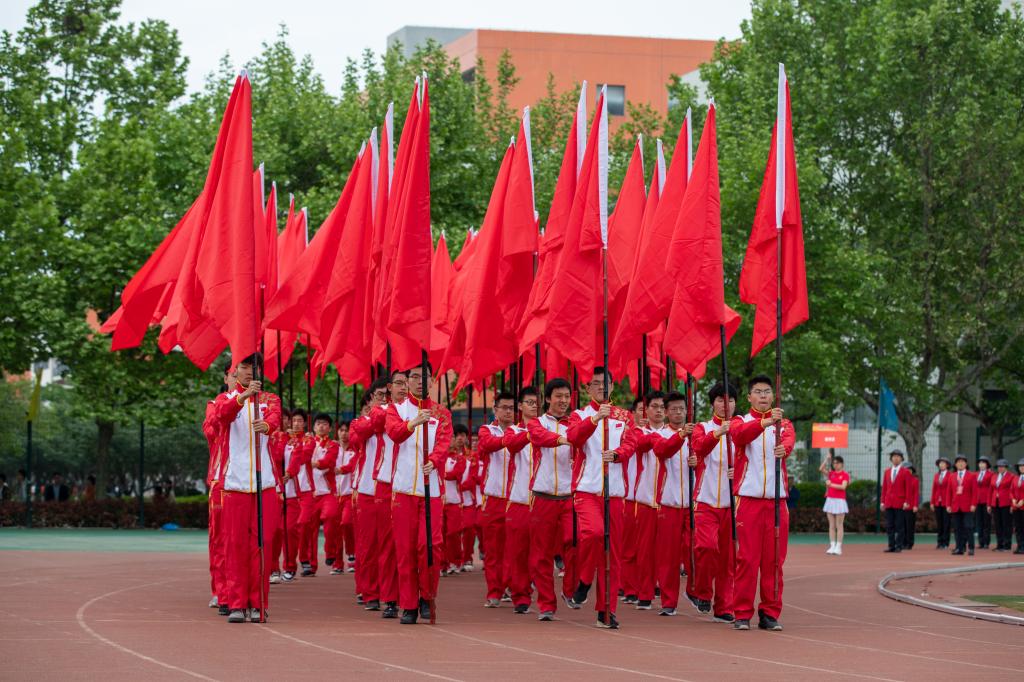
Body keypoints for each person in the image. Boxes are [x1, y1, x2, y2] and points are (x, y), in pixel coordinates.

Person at [211, 353, 282, 623]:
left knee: (262, 544)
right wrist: (243, 397)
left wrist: (268, 425)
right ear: (236, 370)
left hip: (265, 484)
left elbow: (275, 418)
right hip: (235, 483)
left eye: (254, 366)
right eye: (244, 366)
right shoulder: (225, 398)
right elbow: (222, 415)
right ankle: (237, 603)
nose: (250, 371)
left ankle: (258, 603)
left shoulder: (269, 399)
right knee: (235, 544)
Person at [565, 367, 637, 629]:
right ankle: (585, 579)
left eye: (605, 383)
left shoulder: (625, 417)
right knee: (593, 533)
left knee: (612, 555)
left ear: (612, 386)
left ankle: (606, 611)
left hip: (614, 492)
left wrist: (617, 454)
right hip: (587, 489)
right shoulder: (580, 415)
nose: (601, 388)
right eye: (595, 384)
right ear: (587, 388)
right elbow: (574, 438)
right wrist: (595, 419)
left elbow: (631, 443)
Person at [384, 362, 453, 625]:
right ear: (407, 381)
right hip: (403, 489)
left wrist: (434, 460)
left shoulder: (441, 413)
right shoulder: (396, 409)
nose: (420, 381)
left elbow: (444, 443)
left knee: (429, 546)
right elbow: (394, 433)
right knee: (405, 550)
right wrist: (414, 422)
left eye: (425, 377)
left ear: (432, 381)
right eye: (414, 377)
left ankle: (427, 595)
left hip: (430, 490)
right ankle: (409, 605)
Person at [730, 375, 795, 632]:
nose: (763, 396)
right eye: (758, 391)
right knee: (747, 559)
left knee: (774, 561)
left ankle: (769, 612)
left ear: (773, 395)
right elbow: (740, 436)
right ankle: (742, 612)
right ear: (749, 397)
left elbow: (788, 440)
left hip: (777, 502)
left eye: (767, 391)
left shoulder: (784, 423)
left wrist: (784, 448)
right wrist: (765, 422)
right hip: (749, 501)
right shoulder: (741, 420)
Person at [526, 377, 576, 622]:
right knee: (541, 554)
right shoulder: (537, 423)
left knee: (575, 543)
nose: (563, 401)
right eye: (558, 396)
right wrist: (563, 439)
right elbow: (539, 437)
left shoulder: (576, 423)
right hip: (542, 495)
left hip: (570, 495)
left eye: (567, 396)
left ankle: (570, 589)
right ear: (547, 398)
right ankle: (546, 604)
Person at [348, 378, 395, 616]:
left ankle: (389, 594)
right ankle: (369, 592)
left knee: (389, 545)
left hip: (392, 488)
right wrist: (380, 414)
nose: (385, 399)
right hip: (367, 489)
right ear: (369, 400)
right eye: (380, 395)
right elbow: (358, 437)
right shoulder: (360, 422)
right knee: (368, 545)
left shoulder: (399, 419)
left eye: (388, 395)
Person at [649, 390, 697, 617]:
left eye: (682, 409)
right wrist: (681, 436)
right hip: (668, 502)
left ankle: (695, 590)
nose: (678, 412)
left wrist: (698, 460)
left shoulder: (696, 434)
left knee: (696, 550)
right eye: (674, 409)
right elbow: (663, 451)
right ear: (667, 412)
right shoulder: (660, 435)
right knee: (668, 556)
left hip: (693, 504)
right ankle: (669, 601)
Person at [501, 386, 541, 614]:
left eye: (537, 403)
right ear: (520, 406)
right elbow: (512, 445)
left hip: (543, 499)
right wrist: (530, 433)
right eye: (529, 402)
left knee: (541, 553)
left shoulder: (550, 429)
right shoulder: (513, 430)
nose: (533, 406)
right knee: (518, 553)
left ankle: (542, 590)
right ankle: (521, 595)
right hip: (519, 499)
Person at [478, 391, 516, 608]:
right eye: (504, 408)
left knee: (514, 548)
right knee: (493, 548)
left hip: (515, 498)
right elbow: (487, 445)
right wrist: (508, 439)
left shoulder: (522, 430)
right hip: (493, 498)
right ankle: (494, 591)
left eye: (512, 408)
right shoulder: (487, 430)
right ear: (495, 409)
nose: (508, 412)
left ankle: (511, 585)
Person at [629, 391, 666, 610]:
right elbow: (640, 445)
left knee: (666, 550)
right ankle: (644, 592)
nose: (658, 411)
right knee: (644, 549)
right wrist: (655, 438)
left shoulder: (675, 432)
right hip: (644, 498)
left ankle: (662, 587)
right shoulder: (638, 432)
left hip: (669, 500)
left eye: (662, 407)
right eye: (654, 406)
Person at [203, 364, 235, 612]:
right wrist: (233, 404)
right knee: (220, 539)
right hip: (221, 481)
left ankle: (240, 590)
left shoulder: (259, 405)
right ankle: (222, 591)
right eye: (234, 374)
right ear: (226, 378)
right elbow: (211, 429)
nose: (240, 377)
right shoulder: (216, 405)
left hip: (248, 481)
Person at [284, 409, 318, 577]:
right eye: (294, 420)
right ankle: (289, 565)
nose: (296, 423)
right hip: (288, 490)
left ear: (304, 423)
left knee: (304, 524)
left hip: (305, 489)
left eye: (299, 421)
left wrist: (296, 442)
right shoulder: (285, 439)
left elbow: (303, 458)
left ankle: (306, 559)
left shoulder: (309, 440)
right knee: (288, 529)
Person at [308, 413, 341, 575]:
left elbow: (329, 461)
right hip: (310, 492)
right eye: (318, 423)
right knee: (310, 529)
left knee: (331, 517)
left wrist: (314, 463)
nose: (321, 426)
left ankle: (330, 551)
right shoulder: (307, 442)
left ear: (329, 428)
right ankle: (311, 565)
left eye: (325, 424)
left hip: (328, 492)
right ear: (314, 427)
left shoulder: (333, 445)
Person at [330, 420, 357, 574]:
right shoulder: (333, 449)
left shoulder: (356, 449)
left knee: (347, 523)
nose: (344, 433)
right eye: (341, 430)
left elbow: (353, 464)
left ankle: (352, 553)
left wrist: (342, 469)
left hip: (349, 494)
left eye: (347, 430)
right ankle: (337, 563)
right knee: (335, 530)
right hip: (334, 495)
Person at [441, 425, 468, 575]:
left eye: (452, 437)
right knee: (440, 534)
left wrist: (441, 472)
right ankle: (443, 564)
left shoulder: (460, 459)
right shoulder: (440, 457)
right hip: (440, 502)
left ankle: (456, 561)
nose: (450, 440)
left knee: (453, 534)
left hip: (454, 502)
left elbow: (455, 475)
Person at [819, 453, 849, 555]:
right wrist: (827, 459)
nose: (835, 465)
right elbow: (821, 469)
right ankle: (832, 545)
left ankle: (838, 547)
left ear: (842, 464)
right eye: (834, 463)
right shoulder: (831, 473)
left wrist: (831, 484)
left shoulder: (845, 475)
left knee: (839, 525)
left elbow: (843, 487)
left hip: (840, 501)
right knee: (831, 525)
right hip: (830, 500)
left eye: (837, 463)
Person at [880, 450, 910, 553]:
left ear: (901, 459)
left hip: (900, 502)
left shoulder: (905, 472)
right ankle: (891, 545)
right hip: (889, 502)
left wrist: (907, 501)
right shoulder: (887, 471)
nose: (896, 458)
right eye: (894, 456)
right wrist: (882, 502)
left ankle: (899, 545)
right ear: (891, 459)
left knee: (900, 526)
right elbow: (884, 488)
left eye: (898, 456)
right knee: (889, 525)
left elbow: (908, 488)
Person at [948, 454, 977, 556]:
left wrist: (973, 504)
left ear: (966, 464)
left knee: (968, 527)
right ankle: (959, 548)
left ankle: (971, 548)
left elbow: (975, 492)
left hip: (967, 506)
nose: (960, 464)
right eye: (958, 462)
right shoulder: (952, 476)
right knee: (957, 528)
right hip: (955, 506)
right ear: (955, 464)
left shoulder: (972, 475)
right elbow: (949, 492)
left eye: (962, 462)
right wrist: (948, 505)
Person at [989, 459, 1015, 552]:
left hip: (1006, 503)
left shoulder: (1011, 476)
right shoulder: (994, 476)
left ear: (1006, 467)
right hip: (995, 503)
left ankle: (1007, 544)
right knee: (998, 524)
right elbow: (990, 491)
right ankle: (999, 544)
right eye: (998, 467)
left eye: (1002, 466)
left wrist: (1012, 505)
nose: (1000, 468)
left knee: (1006, 524)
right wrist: (989, 504)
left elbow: (1013, 491)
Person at [931, 456, 953, 549]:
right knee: (939, 523)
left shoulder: (950, 475)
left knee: (946, 523)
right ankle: (939, 542)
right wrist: (932, 502)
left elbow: (951, 490)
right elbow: (934, 489)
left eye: (943, 463)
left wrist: (950, 503)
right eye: (940, 463)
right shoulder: (936, 475)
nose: (941, 465)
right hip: (937, 502)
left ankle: (945, 542)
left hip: (946, 502)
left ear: (947, 465)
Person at [974, 456, 993, 550]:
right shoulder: (975, 474)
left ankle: (986, 542)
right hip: (977, 501)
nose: (981, 465)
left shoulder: (991, 474)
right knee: (979, 522)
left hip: (986, 500)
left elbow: (991, 489)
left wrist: (990, 503)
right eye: (980, 463)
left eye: (983, 463)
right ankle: (981, 542)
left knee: (986, 522)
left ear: (987, 465)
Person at [903, 463, 919, 550]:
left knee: (910, 526)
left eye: (910, 469)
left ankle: (909, 543)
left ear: (912, 471)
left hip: (911, 506)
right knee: (902, 526)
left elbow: (916, 494)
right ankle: (902, 542)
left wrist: (915, 505)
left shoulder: (915, 480)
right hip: (902, 506)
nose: (908, 471)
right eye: (906, 470)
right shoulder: (901, 480)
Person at [1013, 458, 1024, 554]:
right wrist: (1012, 499)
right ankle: (1019, 545)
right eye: (1020, 466)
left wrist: (1023, 500)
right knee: (1018, 527)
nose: (1021, 468)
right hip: (1016, 506)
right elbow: (1011, 491)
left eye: (1023, 466)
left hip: (1023, 506)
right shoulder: (1016, 478)